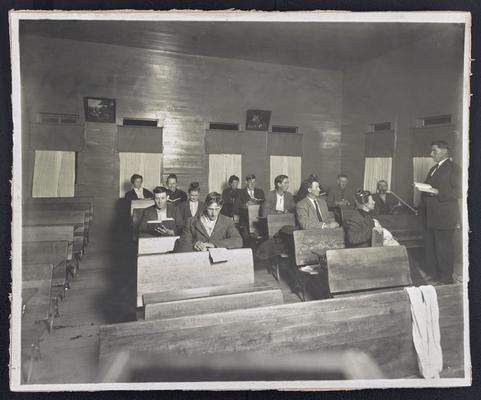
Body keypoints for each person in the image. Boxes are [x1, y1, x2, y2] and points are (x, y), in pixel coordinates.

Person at [422, 140, 461, 284]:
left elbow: (460, 191)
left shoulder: (454, 168)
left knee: (444, 249)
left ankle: (446, 278)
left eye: (434, 151)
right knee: (432, 247)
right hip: (430, 216)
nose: (431, 154)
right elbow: (429, 187)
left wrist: (439, 192)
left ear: (444, 151)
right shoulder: (433, 169)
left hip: (444, 217)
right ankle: (435, 274)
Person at [175, 192, 243, 252]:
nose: (213, 213)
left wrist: (214, 244)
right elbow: (181, 245)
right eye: (210, 209)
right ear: (206, 206)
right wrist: (194, 244)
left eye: (217, 209)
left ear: (221, 207)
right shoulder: (191, 222)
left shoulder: (227, 222)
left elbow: (238, 241)